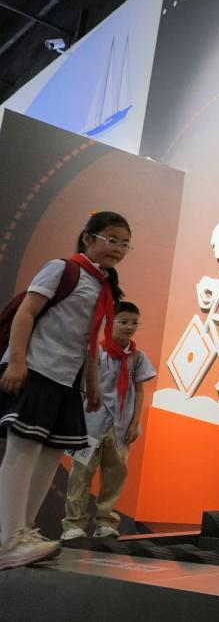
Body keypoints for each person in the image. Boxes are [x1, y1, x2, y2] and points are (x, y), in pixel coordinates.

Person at [0, 211, 130, 568]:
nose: (118, 248)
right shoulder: (62, 269)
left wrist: (92, 384)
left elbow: (88, 341)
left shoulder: (104, 286)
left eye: (124, 244)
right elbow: (26, 313)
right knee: (23, 452)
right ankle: (8, 539)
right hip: (38, 370)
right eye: (112, 239)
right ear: (88, 238)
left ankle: (23, 532)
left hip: (67, 382)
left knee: (49, 455)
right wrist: (16, 362)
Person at [61, 301, 155, 541]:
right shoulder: (95, 352)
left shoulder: (137, 358)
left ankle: (105, 522)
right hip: (90, 423)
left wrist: (134, 422)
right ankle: (73, 524)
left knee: (115, 474)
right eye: (123, 321)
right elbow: (80, 387)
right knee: (81, 473)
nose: (129, 327)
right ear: (110, 322)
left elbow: (139, 391)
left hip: (120, 426)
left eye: (134, 323)